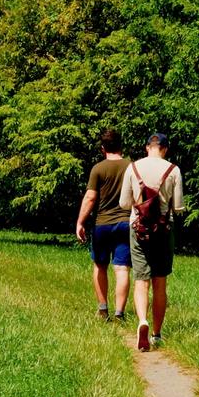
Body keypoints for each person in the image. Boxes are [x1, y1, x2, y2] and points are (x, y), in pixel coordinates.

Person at [119, 131, 183, 352]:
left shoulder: (133, 168)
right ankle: (156, 334)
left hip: (138, 230)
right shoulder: (173, 170)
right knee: (160, 282)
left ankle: (142, 321)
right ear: (164, 149)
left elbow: (125, 203)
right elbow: (179, 206)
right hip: (164, 231)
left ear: (147, 147)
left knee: (141, 280)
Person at [74, 128, 132, 320]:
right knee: (122, 268)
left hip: (102, 224)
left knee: (100, 265)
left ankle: (103, 309)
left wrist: (80, 222)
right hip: (125, 223)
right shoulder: (131, 167)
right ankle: (119, 313)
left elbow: (90, 198)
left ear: (102, 148)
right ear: (121, 146)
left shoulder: (98, 169)